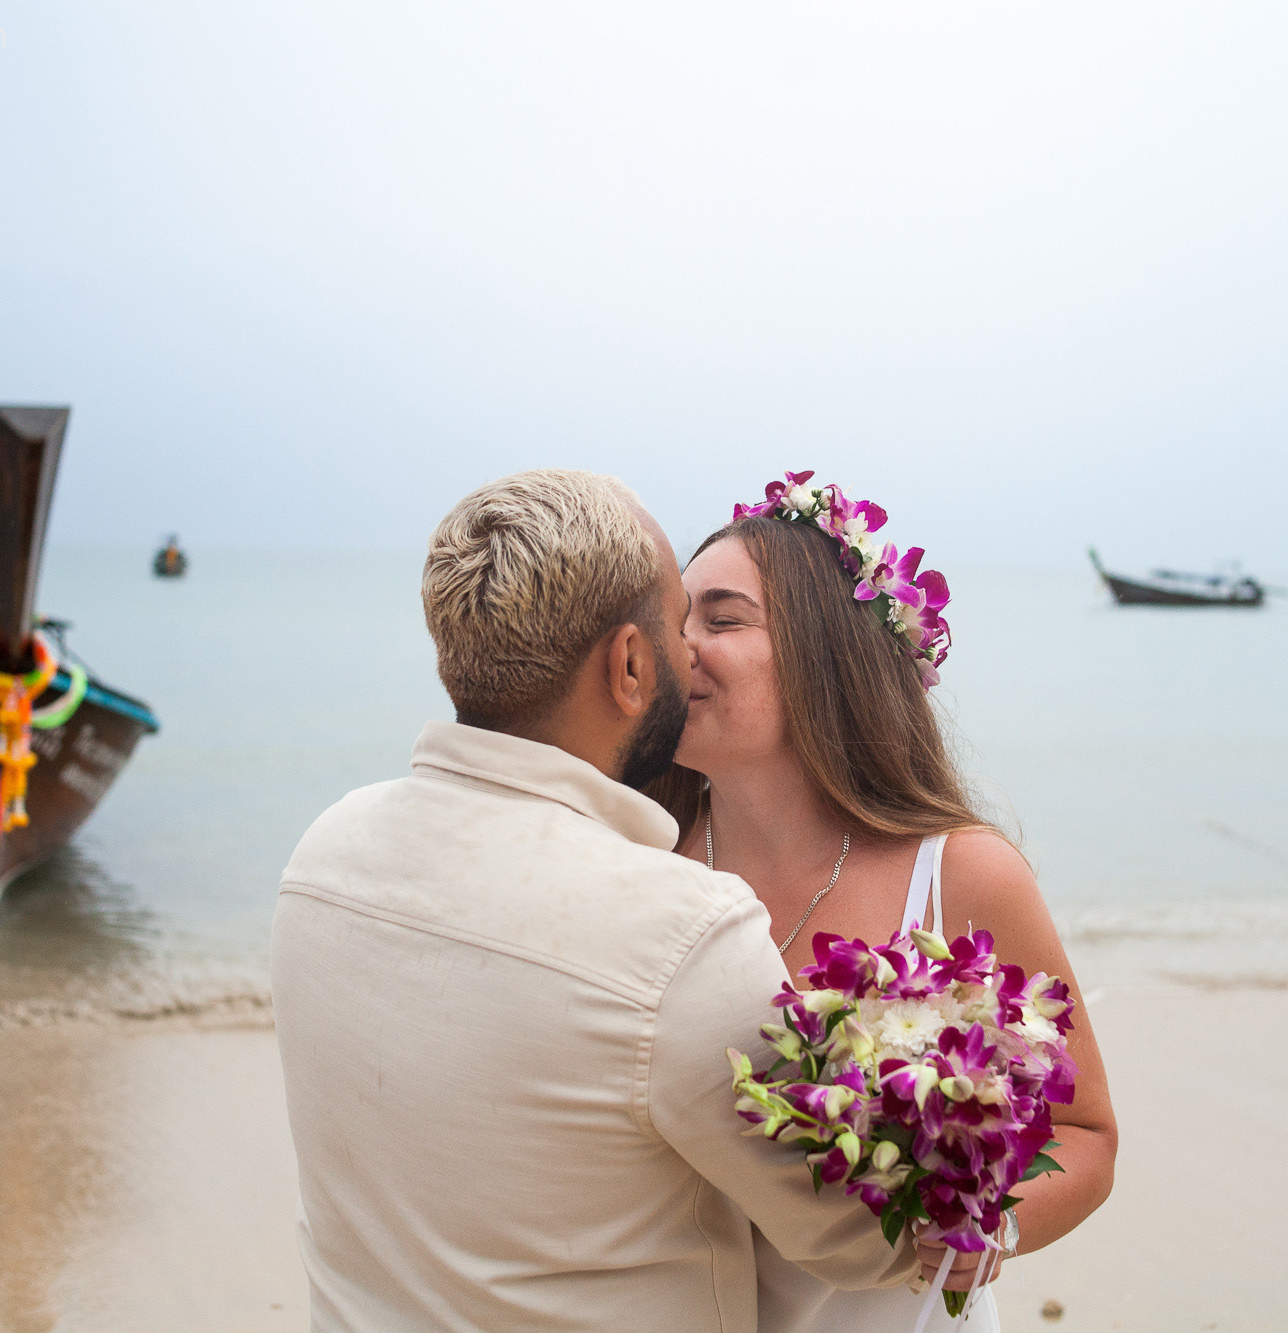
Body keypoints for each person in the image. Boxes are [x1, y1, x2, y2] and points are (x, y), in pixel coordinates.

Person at [272, 470, 960, 1331]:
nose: (694, 652)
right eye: (679, 624)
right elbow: (856, 1241)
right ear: (631, 666)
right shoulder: (680, 930)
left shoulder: (323, 852)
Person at [648, 473, 1119, 1332]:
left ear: (823, 652)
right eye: (676, 621)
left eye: (721, 619)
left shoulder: (964, 875)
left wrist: (990, 1229)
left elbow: (1085, 1134)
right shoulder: (643, 860)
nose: (681, 648)